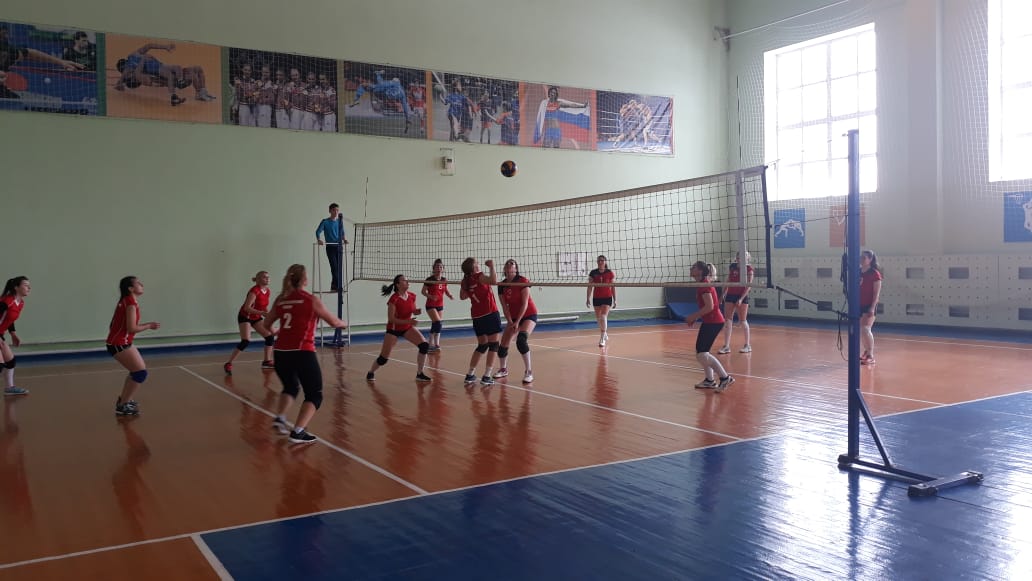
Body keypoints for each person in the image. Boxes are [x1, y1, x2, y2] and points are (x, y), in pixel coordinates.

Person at [258, 264, 347, 444]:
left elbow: (266, 324)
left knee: (290, 387)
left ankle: (280, 418)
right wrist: (343, 323)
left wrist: (277, 331)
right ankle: (298, 432)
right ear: (304, 280)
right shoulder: (310, 300)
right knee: (315, 394)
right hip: (302, 352)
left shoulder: (281, 299)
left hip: (280, 352)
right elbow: (333, 322)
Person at [106, 276, 161, 416]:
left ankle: (124, 400)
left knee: (136, 371)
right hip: (119, 344)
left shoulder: (127, 301)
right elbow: (131, 328)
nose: (141, 284)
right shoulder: (130, 304)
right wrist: (149, 325)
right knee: (140, 373)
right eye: (138, 283)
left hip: (122, 342)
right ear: (131, 288)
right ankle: (122, 406)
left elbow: (114, 324)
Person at [366, 275, 432, 383]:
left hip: (406, 328)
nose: (407, 281)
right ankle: (371, 372)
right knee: (383, 358)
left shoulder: (412, 296)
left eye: (407, 280)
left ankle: (420, 374)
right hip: (393, 329)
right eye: (404, 280)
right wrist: (409, 321)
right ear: (398, 284)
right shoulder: (394, 299)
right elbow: (391, 319)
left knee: (424, 346)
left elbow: (412, 309)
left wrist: (416, 312)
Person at [682, 261, 734, 392]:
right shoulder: (703, 283)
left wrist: (693, 316)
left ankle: (725, 377)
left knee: (702, 354)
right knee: (702, 353)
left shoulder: (705, 285)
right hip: (711, 321)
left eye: (693, 267)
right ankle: (709, 380)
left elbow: (710, 306)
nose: (691, 268)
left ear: (700, 271)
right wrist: (697, 317)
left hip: (714, 322)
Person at [114, 43, 216, 105]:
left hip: (167, 69)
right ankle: (197, 94)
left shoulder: (133, 60)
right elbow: (124, 76)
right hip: (169, 75)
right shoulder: (134, 67)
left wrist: (165, 47)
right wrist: (165, 47)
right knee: (192, 75)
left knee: (198, 68)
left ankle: (202, 92)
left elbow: (149, 45)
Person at [223, 271, 276, 375]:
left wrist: (268, 315)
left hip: (256, 317)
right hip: (245, 316)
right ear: (258, 279)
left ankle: (266, 361)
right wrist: (262, 313)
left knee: (269, 337)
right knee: (246, 341)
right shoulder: (254, 291)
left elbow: (263, 306)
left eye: (268, 277)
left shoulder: (267, 291)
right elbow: (247, 308)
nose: (267, 279)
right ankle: (229, 363)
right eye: (264, 277)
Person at [494, 259, 537, 384]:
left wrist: (517, 321)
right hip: (512, 317)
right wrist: (510, 321)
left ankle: (529, 372)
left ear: (516, 269)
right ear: (504, 269)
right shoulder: (502, 285)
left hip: (528, 314)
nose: (509, 265)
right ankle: (503, 369)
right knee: (502, 346)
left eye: (512, 264)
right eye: (507, 264)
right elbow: (504, 306)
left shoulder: (522, 281)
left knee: (521, 340)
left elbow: (525, 304)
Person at [460, 257, 500, 385]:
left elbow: (462, 297)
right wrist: (492, 267)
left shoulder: (465, 281)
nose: (478, 264)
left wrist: (471, 288)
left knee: (482, 345)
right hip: (489, 313)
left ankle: (470, 374)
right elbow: (494, 281)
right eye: (476, 263)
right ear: (474, 267)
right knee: (493, 345)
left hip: (477, 317)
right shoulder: (479, 276)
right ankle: (487, 376)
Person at [718, 252, 754, 354]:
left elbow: (749, 286)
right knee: (728, 320)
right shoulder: (733, 267)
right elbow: (728, 281)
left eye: (742, 257)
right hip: (730, 295)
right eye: (738, 257)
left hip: (742, 296)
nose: (739, 259)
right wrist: (722, 294)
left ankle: (747, 345)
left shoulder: (749, 269)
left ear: (747, 258)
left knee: (743, 320)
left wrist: (741, 299)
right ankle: (726, 346)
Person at [0, 277, 30, 396]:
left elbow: (9, 319)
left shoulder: (20, 303)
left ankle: (9, 388)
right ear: (16, 287)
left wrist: (13, 334)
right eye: (25, 285)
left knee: (10, 361)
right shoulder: (6, 301)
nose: (29, 288)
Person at [421, 259, 453, 351]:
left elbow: (445, 289)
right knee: (438, 323)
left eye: (440, 267)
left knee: (435, 323)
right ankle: (435, 344)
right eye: (437, 267)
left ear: (443, 269)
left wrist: (449, 295)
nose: (439, 268)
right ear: (434, 268)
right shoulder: (429, 279)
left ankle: (431, 344)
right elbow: (423, 291)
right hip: (430, 305)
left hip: (440, 305)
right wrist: (431, 296)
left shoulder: (444, 280)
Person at [315, 203, 348, 292]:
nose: (336, 212)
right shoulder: (325, 222)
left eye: (337, 210)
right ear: (330, 211)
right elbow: (318, 231)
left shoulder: (339, 222)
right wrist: (319, 239)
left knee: (339, 268)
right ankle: (337, 286)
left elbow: (342, 232)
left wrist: (344, 239)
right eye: (334, 210)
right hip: (330, 247)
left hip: (339, 247)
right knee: (334, 267)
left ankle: (334, 285)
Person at [586, 255, 616, 347]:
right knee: (598, 319)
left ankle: (602, 338)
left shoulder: (609, 272)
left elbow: (613, 287)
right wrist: (587, 298)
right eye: (599, 260)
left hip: (607, 297)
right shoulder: (593, 273)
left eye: (602, 260)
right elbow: (590, 286)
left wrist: (615, 299)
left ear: (605, 262)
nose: (600, 262)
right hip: (596, 298)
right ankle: (605, 333)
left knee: (603, 316)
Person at [859, 249, 883, 365]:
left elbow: (876, 294)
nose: (861, 259)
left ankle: (871, 356)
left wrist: (872, 307)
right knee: (861, 330)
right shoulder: (858, 272)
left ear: (870, 259)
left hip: (869, 305)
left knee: (866, 329)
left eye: (864, 258)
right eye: (861, 257)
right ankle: (866, 351)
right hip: (859, 305)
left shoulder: (875, 274)